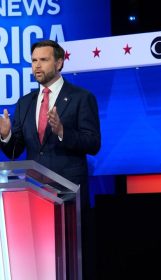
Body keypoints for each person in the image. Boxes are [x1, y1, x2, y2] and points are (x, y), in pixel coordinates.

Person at [0, 40, 101, 279]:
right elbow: (16, 151)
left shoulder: (81, 98)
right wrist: (5, 136)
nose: (37, 66)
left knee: (70, 265)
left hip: (68, 198)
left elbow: (94, 143)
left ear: (59, 62)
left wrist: (63, 132)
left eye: (43, 60)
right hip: (34, 196)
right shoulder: (25, 103)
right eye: (34, 61)